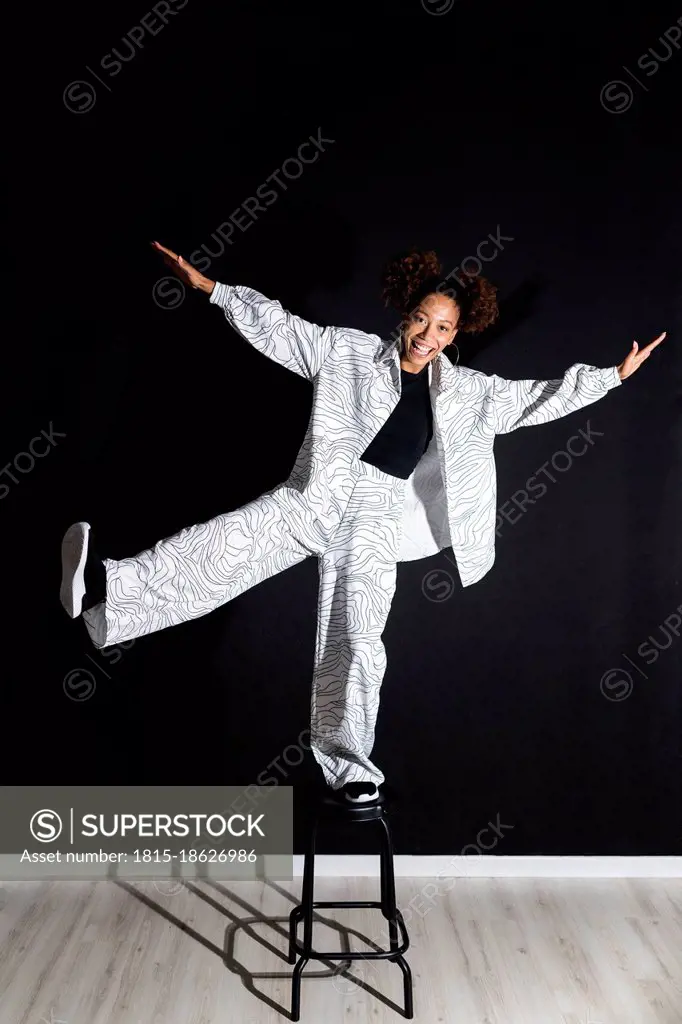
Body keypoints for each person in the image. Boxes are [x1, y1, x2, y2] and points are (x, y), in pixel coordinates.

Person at [59, 242, 666, 804]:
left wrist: (609, 378)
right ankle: (105, 592)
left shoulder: (466, 393)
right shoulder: (347, 351)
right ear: (407, 311)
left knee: (355, 640)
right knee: (223, 547)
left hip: (377, 514)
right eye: (424, 318)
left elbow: (535, 398)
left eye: (445, 327)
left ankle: (350, 769)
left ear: (458, 334)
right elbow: (282, 330)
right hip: (316, 491)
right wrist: (212, 288)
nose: (430, 334)